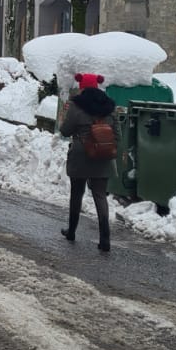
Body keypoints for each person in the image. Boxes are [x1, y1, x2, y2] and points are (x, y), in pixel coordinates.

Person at [58, 73, 115, 251]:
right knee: (100, 195)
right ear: (97, 87)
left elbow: (66, 131)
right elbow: (117, 133)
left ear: (82, 86)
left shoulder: (76, 106)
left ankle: (72, 231)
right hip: (103, 155)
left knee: (77, 194)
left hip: (81, 156)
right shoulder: (109, 106)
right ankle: (105, 239)